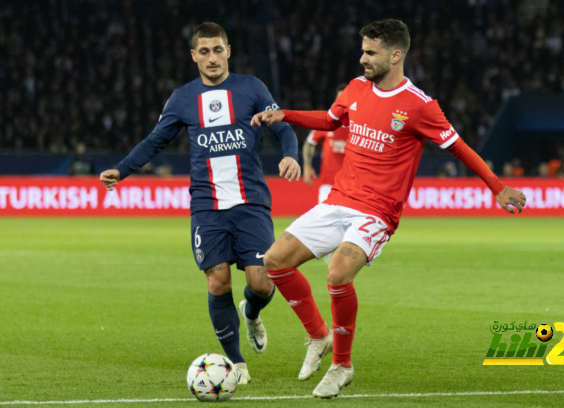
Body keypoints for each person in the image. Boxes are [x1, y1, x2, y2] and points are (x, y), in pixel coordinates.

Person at [252, 19, 526, 398]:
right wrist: (287, 114)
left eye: (370, 52)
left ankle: (342, 365)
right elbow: (330, 121)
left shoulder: (420, 106)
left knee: (338, 273)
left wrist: (497, 187)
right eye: (362, 50)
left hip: (376, 213)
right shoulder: (355, 88)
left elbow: (459, 147)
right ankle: (318, 336)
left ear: (396, 55)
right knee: (275, 260)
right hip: (338, 201)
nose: (362, 58)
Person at [99, 22, 301, 384]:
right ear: (193, 56)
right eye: (204, 51)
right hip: (206, 204)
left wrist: (290, 154)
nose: (212, 57)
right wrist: (123, 169)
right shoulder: (181, 98)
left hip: (250, 201)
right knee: (217, 280)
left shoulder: (251, 88)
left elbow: (283, 127)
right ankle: (236, 364)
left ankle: (251, 313)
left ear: (228, 51)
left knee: (261, 283)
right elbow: (154, 141)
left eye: (217, 49)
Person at [302, 84, 349, 204]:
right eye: (340, 100)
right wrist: (307, 165)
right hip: (328, 185)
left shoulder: (359, 125)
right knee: (324, 222)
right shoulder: (326, 122)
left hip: (351, 187)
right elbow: (309, 143)